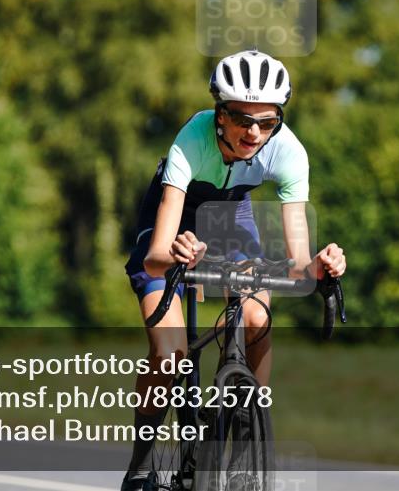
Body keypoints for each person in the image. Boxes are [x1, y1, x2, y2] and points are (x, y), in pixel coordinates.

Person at [121, 48, 347, 490]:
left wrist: (318, 267)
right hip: (176, 223)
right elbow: (154, 255)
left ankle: (245, 433)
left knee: (257, 317)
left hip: (230, 219)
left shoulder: (288, 151)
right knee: (169, 356)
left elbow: (298, 261)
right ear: (219, 114)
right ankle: (141, 464)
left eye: (267, 121)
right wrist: (175, 253)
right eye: (243, 119)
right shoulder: (191, 138)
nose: (255, 131)